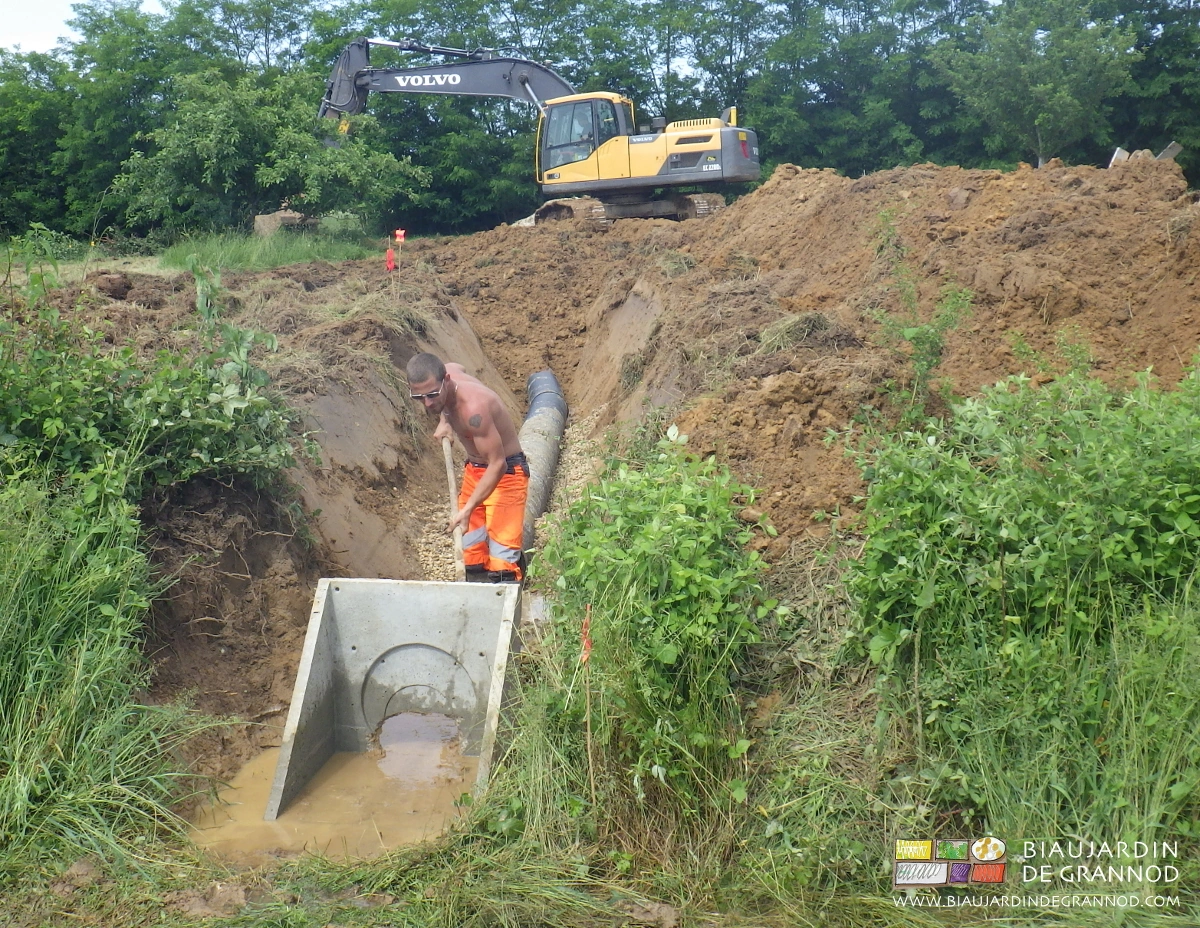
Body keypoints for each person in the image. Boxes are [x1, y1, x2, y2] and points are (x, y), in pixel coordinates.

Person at [405, 352, 528, 582]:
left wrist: (469, 507)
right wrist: (445, 421)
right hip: (475, 469)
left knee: (502, 562)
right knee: (471, 554)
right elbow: (457, 365)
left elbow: (498, 464)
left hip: (506, 472)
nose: (427, 403)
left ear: (447, 380)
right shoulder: (448, 374)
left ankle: (509, 594)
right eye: (419, 397)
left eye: (432, 395)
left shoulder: (474, 411)